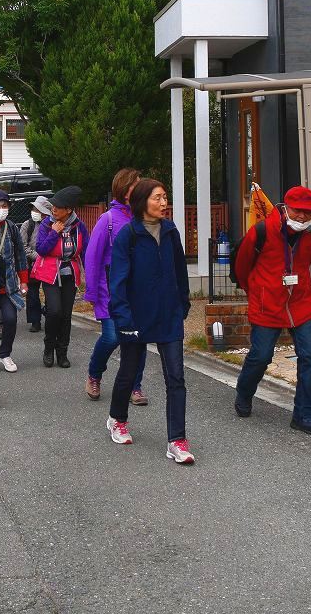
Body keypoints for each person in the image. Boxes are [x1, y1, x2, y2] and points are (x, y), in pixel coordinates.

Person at [105, 178, 194, 463]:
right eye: (158, 198)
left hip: (168, 316)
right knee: (129, 372)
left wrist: (183, 303)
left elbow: (180, 271)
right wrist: (123, 318)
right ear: (142, 201)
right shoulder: (128, 236)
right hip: (136, 317)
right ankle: (117, 419)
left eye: (165, 197)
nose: (164, 203)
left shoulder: (171, 231)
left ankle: (177, 441)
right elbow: (117, 282)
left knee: (176, 377)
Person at [231, 185, 311, 436]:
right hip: (267, 301)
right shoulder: (262, 230)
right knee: (261, 356)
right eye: (297, 211)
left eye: (308, 212)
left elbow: (306, 261)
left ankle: (303, 415)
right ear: (286, 208)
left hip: (301, 302)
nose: (302, 216)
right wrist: (255, 291)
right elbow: (242, 265)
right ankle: (244, 392)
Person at [83, 168, 148, 403]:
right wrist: (92, 292)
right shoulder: (108, 219)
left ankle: (134, 386)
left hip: (137, 292)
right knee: (112, 337)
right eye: (136, 185)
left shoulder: (143, 218)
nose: (140, 189)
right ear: (124, 189)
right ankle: (94, 374)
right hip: (109, 291)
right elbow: (92, 257)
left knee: (138, 339)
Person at [32, 185, 88, 369]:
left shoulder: (79, 227)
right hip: (50, 273)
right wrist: (54, 233)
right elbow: (41, 249)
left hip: (70, 273)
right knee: (54, 311)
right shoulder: (47, 224)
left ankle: (62, 352)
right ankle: (48, 348)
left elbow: (86, 252)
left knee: (65, 314)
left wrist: (90, 276)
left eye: (57, 207)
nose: (53, 209)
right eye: (53, 206)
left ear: (69, 209)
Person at [0, 190, 29, 373]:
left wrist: (24, 281)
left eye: (4, 206)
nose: (1, 210)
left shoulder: (12, 227)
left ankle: (5, 353)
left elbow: (20, 254)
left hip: (9, 284)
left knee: (10, 318)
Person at [19, 196, 49, 332]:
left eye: (38, 210)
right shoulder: (28, 225)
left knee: (50, 293)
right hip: (32, 264)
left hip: (49, 265)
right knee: (32, 294)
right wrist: (37, 256)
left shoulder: (52, 225)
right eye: (34, 209)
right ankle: (35, 321)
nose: (35, 212)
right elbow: (22, 246)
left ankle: (50, 316)